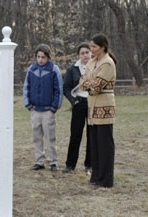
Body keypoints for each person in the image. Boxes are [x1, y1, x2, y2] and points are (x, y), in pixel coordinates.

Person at [79, 33, 117, 188]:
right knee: (94, 144)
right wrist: (88, 83)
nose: (91, 49)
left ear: (103, 47)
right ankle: (96, 177)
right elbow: (82, 82)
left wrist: (89, 83)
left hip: (104, 106)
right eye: (91, 46)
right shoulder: (92, 62)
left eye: (94, 47)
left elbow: (95, 87)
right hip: (92, 108)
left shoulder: (108, 63)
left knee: (104, 144)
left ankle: (106, 179)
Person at [23, 44, 63, 171]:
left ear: (48, 57)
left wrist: (54, 107)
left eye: (43, 57)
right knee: (37, 136)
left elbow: (58, 90)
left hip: (48, 110)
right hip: (35, 109)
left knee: (50, 136)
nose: (40, 60)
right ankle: (39, 161)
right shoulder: (31, 70)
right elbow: (26, 87)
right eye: (38, 57)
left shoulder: (53, 70)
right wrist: (28, 104)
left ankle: (53, 161)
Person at [62, 43, 92, 174]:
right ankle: (70, 164)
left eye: (87, 52)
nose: (85, 55)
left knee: (92, 135)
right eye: (82, 53)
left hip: (93, 103)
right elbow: (66, 88)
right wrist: (73, 101)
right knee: (75, 135)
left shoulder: (96, 67)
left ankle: (89, 165)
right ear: (79, 55)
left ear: (91, 53)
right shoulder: (73, 69)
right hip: (79, 103)